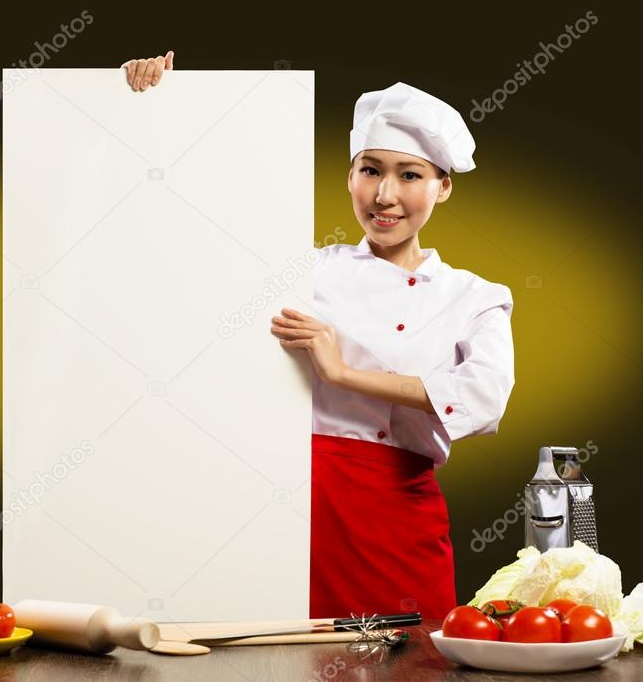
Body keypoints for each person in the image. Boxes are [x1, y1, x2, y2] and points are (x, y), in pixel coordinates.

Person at [121, 53, 514, 621]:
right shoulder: (302, 270)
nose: (385, 196)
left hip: (395, 518)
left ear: (442, 187)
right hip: (280, 509)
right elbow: (187, 239)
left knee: (409, 664)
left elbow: (482, 398)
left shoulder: (474, 296)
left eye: (409, 175)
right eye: (370, 170)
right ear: (350, 176)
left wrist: (342, 372)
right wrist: (162, 107)